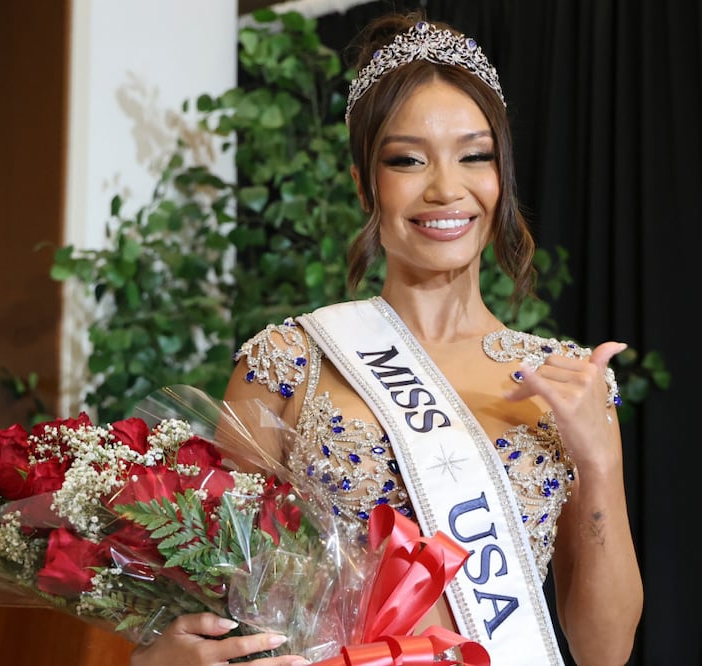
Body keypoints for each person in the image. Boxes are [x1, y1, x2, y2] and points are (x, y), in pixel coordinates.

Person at [132, 12, 643, 666]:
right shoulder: (289, 362)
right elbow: (217, 594)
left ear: (502, 176)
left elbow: (605, 651)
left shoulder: (566, 380)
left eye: (474, 156)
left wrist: (599, 462)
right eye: (407, 160)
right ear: (364, 184)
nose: (446, 189)